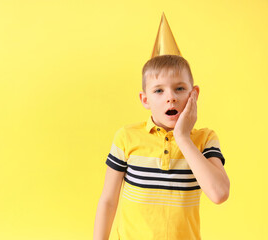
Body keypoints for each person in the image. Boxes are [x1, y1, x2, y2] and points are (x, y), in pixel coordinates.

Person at [93, 13, 230, 240]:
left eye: (179, 88)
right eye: (159, 90)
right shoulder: (126, 137)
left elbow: (219, 194)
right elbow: (108, 200)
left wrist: (183, 138)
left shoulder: (205, 139)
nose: (171, 98)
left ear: (193, 94)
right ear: (145, 99)